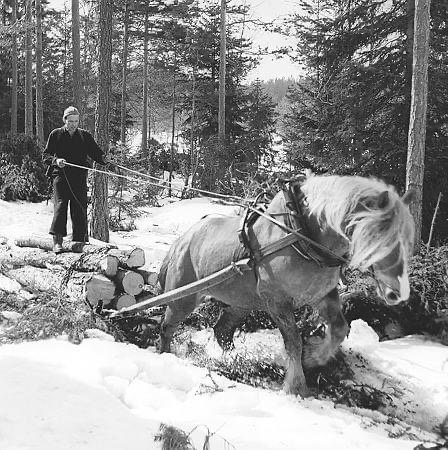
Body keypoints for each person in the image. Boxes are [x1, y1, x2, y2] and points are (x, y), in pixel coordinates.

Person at [43, 106, 108, 253]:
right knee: (60, 206)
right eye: (70, 121)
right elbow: (45, 156)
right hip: (60, 176)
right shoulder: (56, 134)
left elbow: (96, 153)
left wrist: (104, 159)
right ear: (65, 120)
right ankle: (57, 242)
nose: (73, 124)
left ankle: (80, 241)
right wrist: (56, 160)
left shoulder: (85, 136)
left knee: (79, 208)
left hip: (79, 177)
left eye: (76, 121)